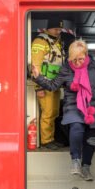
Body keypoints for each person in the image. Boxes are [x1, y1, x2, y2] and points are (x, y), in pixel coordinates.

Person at [32, 39, 95, 181]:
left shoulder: (93, 66)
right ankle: (75, 161)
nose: (77, 63)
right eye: (74, 59)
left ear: (86, 55)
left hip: (92, 106)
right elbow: (52, 86)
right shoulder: (65, 69)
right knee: (76, 127)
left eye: (81, 59)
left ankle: (86, 167)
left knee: (90, 137)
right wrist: (38, 77)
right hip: (73, 105)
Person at [31, 18, 65, 150]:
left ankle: (51, 138)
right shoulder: (41, 42)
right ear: (48, 28)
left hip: (55, 84)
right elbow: (35, 65)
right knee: (48, 113)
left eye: (60, 29)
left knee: (54, 112)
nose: (58, 31)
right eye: (56, 29)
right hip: (44, 85)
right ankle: (46, 140)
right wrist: (38, 86)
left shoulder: (57, 42)